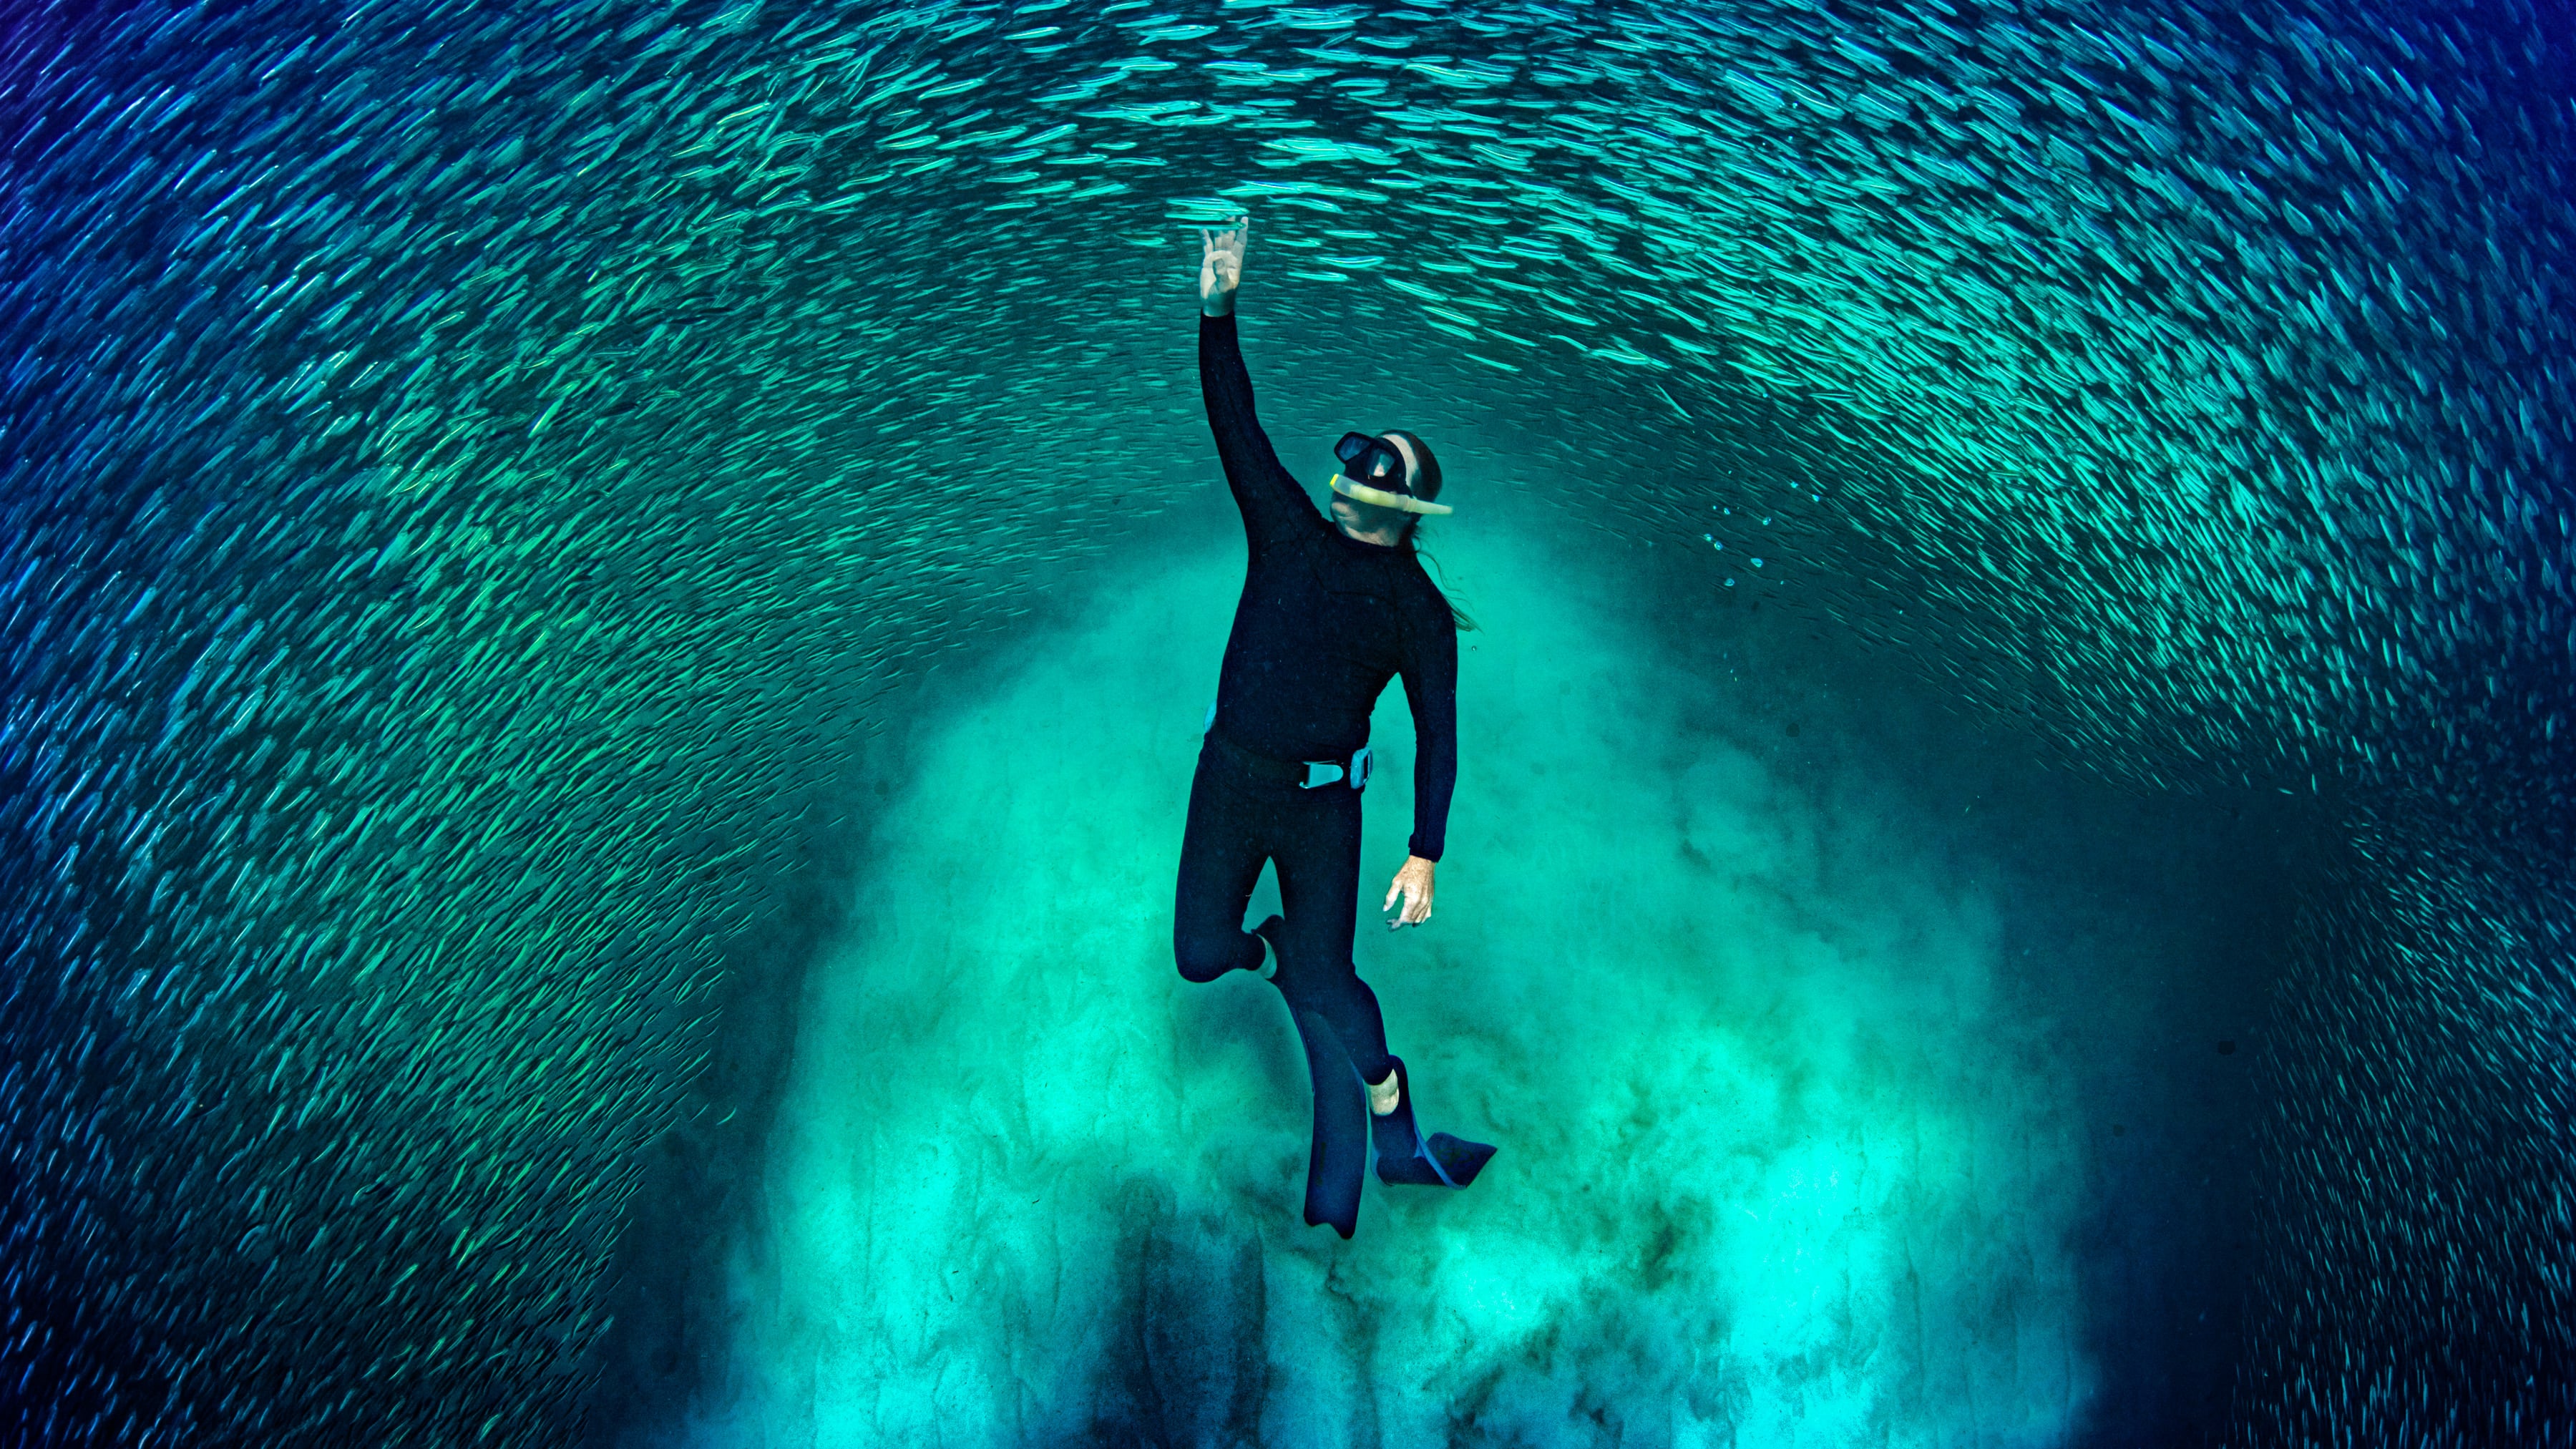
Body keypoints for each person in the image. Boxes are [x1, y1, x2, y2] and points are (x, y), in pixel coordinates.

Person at [1171, 214, 1496, 1239]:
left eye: (1389, 469)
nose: (1369, 478)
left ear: (1412, 511)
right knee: (1198, 953)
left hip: (1324, 807)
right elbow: (1235, 418)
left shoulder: (1418, 612)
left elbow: (1439, 733)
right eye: (1364, 460)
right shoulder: (1284, 525)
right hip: (1230, 776)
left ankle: (1394, 1114)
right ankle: (1274, 952)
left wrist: (1426, 852)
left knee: (1330, 981)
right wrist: (1217, 308)